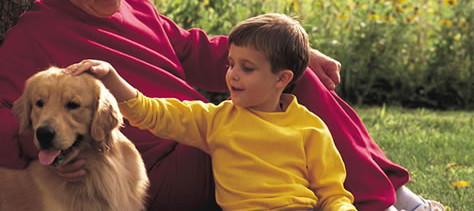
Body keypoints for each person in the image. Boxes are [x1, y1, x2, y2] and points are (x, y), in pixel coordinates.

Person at [0, 0, 445, 210]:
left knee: (292, 80)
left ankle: (397, 201)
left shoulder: (139, 9)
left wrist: (293, 59)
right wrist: (49, 148)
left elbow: (198, 51)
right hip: (159, 165)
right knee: (250, 138)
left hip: (203, 127)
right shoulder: (37, 32)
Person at [66, 13, 357, 210]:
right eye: (230, 64)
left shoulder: (311, 128)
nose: (232, 75)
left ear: (282, 79)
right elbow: (150, 112)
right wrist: (111, 78)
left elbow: (333, 194)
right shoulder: (215, 119)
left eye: (247, 68)